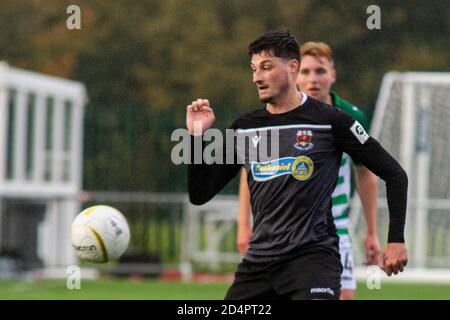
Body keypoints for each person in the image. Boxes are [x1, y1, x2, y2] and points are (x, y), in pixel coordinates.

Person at [186, 29, 408, 300]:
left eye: (267, 67)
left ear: (292, 67)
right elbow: (199, 194)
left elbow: (394, 173)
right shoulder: (244, 128)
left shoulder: (331, 121)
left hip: (312, 261)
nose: (257, 77)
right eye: (254, 69)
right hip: (258, 266)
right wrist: (197, 137)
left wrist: (395, 239)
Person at [236, 41, 381, 300]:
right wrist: (244, 224)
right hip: (282, 232)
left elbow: (365, 173)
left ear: (333, 75)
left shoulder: (348, 117)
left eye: (320, 71)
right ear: (294, 73)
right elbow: (252, 172)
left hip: (333, 227)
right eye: (306, 72)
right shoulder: (273, 117)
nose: (313, 79)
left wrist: (372, 232)